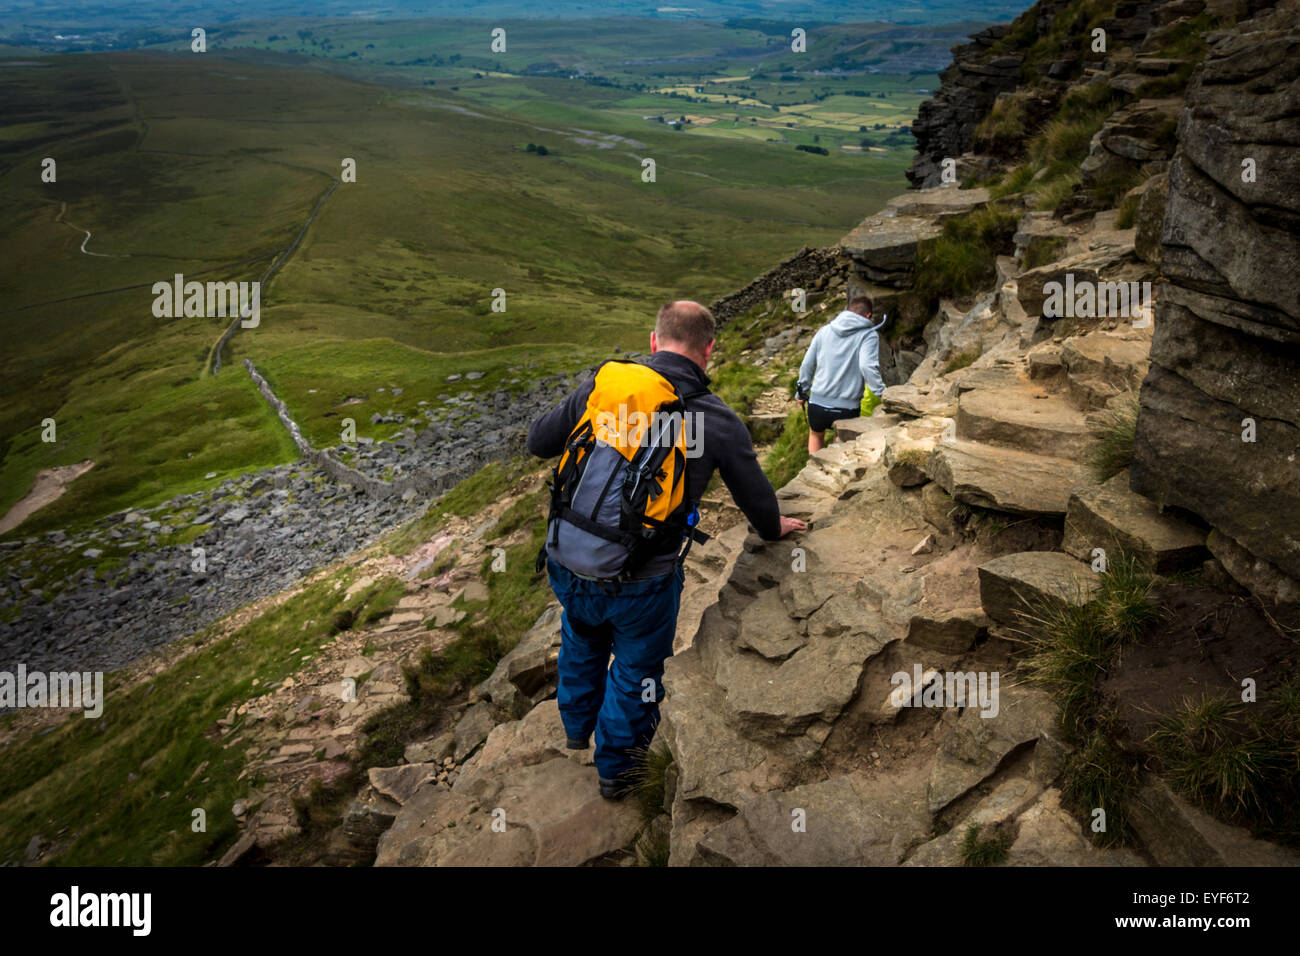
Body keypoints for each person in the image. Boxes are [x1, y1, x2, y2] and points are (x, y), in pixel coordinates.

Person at [526, 300, 806, 799]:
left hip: (568, 562)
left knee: (582, 635)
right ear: (709, 351)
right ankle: (616, 774)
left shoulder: (606, 387)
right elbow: (756, 500)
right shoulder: (712, 419)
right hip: (643, 581)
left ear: (653, 341)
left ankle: (575, 729)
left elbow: (538, 442)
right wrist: (775, 528)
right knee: (635, 670)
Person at [796, 294, 886, 453]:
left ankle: (815, 472)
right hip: (847, 408)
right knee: (841, 440)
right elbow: (866, 367)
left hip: (817, 403)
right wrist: (882, 393)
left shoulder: (824, 331)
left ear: (847, 311)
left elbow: (807, 364)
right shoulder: (868, 335)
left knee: (816, 434)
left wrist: (801, 392)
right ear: (868, 316)